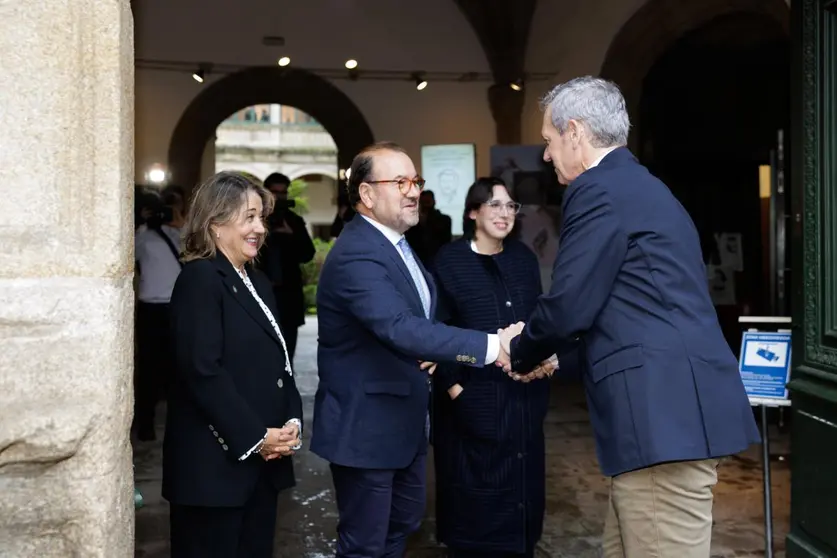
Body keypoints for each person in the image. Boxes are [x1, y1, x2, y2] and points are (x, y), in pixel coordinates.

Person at [500, 76, 760, 558]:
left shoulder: (600, 190)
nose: (546, 155)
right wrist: (554, 359)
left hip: (663, 422)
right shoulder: (638, 185)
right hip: (663, 421)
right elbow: (627, 309)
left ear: (574, 132)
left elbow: (569, 306)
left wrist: (517, 349)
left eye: (549, 140)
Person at [312, 142, 555, 558]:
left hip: (402, 428)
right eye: (400, 182)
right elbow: (401, 327)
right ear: (366, 194)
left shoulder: (398, 247)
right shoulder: (357, 254)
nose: (413, 191)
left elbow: (427, 325)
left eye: (416, 181)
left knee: (397, 532)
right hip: (367, 430)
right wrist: (493, 345)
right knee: (366, 545)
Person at [164, 171, 303, 558]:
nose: (260, 228)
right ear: (215, 224)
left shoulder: (256, 281)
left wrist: (291, 423)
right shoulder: (200, 279)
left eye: (261, 218)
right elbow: (201, 372)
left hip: (261, 470)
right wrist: (257, 437)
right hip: (213, 474)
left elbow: (281, 365)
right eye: (249, 218)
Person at [431, 178, 550, 558]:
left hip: (523, 400)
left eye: (510, 206)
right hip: (471, 407)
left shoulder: (523, 259)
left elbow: (537, 322)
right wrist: (456, 391)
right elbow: (436, 332)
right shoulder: (449, 261)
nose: (504, 213)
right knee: (474, 512)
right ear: (473, 212)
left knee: (522, 499)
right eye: (494, 205)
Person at [133, 186, 185, 441]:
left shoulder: (174, 234)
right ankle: (146, 423)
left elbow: (192, 244)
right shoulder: (141, 236)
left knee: (178, 366)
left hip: (175, 307)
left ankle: (180, 423)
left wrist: (175, 219)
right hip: (151, 308)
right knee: (149, 369)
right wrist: (142, 222)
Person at [258, 172, 316, 361]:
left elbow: (308, 254)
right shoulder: (254, 219)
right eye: (274, 192)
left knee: (287, 354)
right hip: (260, 293)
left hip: (288, 297)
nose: (278, 197)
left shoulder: (293, 221)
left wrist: (291, 235)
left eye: (283, 193)